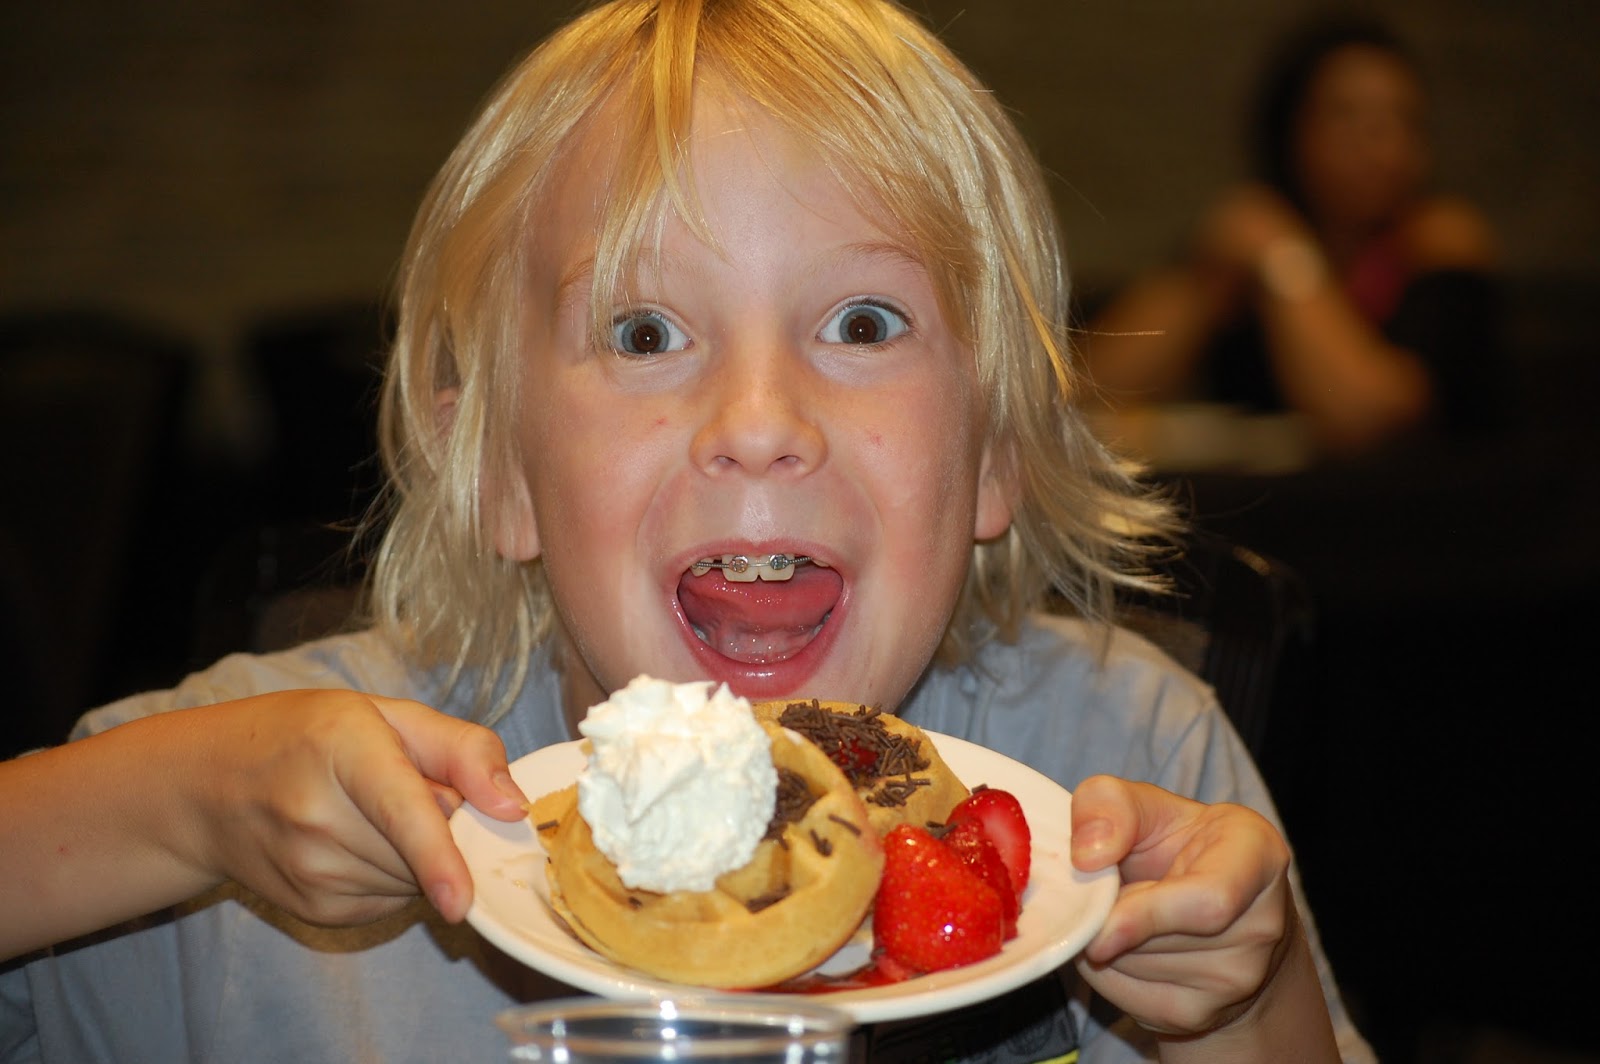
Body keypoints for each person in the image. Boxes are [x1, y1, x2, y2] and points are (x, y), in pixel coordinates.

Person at [0, 1, 1375, 1061]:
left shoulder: (1125, 768)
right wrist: (171, 807)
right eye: (646, 333)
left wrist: (1239, 1005)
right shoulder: (239, 834)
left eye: (862, 323)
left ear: (996, 448)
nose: (759, 422)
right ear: (498, 465)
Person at [1085, 14, 1500, 459]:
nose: (1380, 145)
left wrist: (1284, 259)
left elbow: (1367, 416)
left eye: (1402, 120)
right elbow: (1086, 395)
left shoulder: (1439, 244)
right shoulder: (1253, 237)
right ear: (1290, 131)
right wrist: (1210, 277)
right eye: (1347, 116)